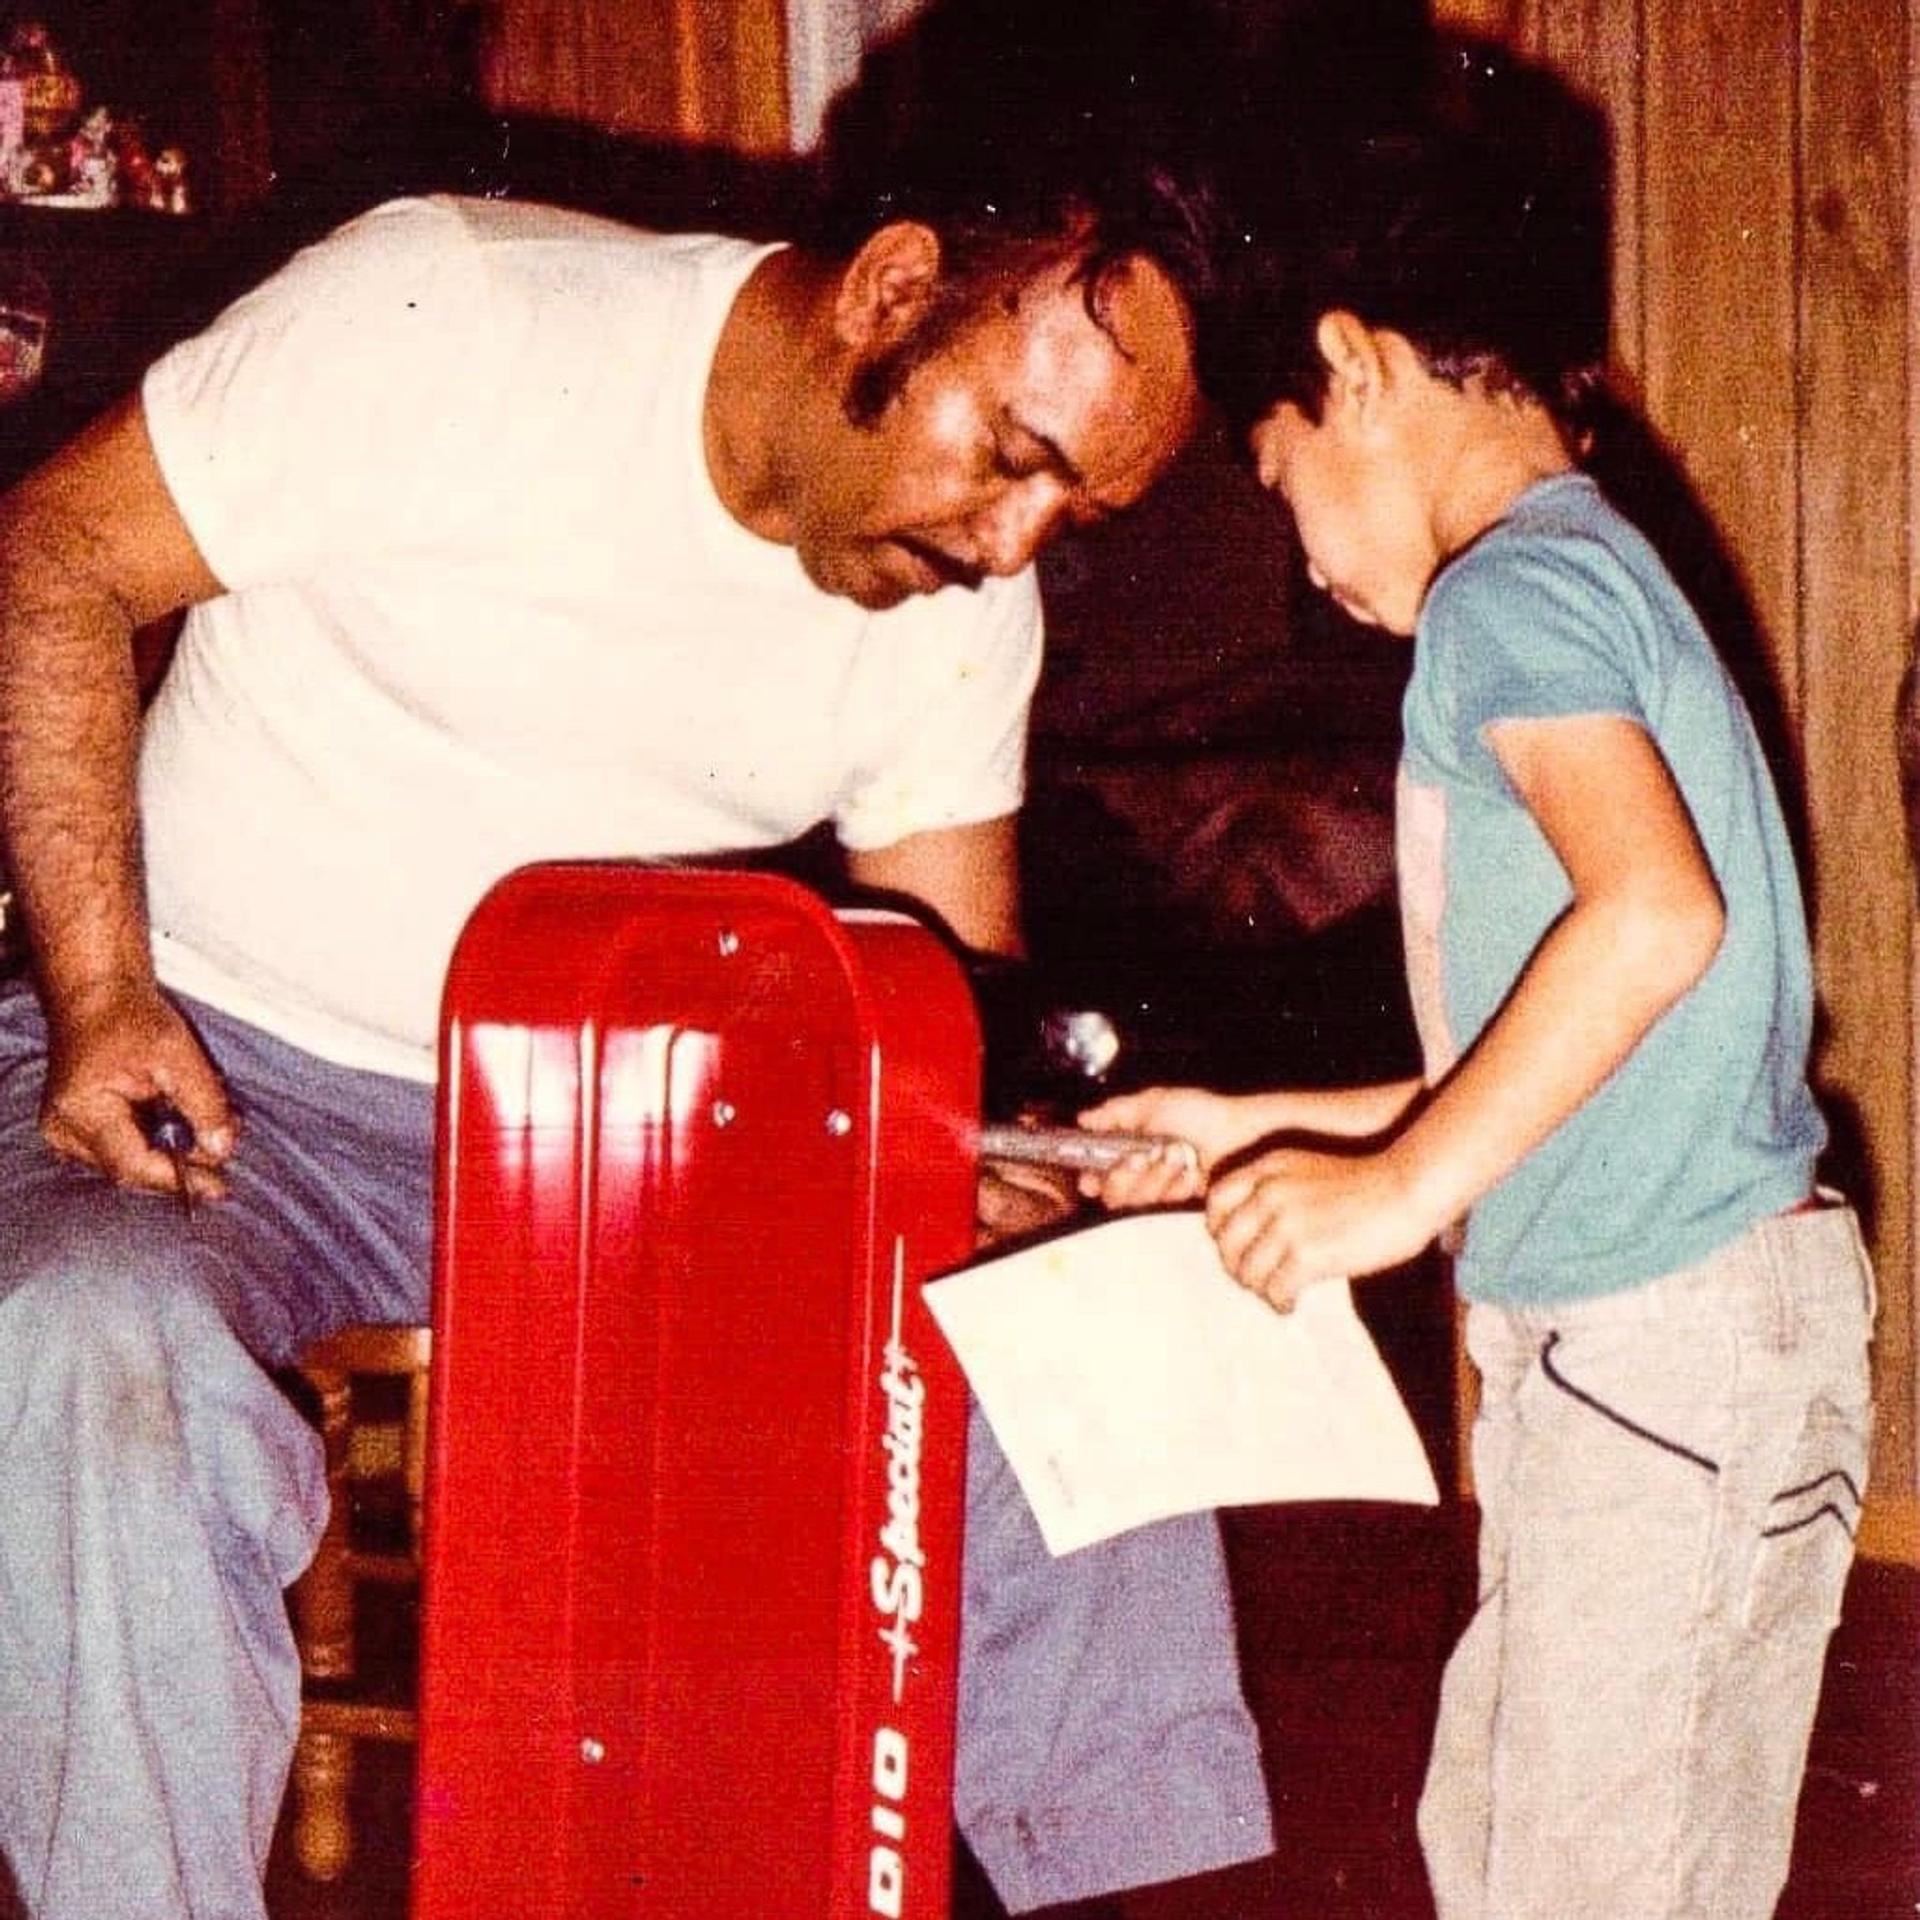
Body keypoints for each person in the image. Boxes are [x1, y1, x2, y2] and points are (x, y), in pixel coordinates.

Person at [0, 125, 1278, 1920]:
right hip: (219, 1085)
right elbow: (52, 556)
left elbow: (936, 993)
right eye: (1011, 460)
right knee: (78, 1338)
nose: (1013, 547)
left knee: (1056, 1329)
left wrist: (989, 1176)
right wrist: (103, 992)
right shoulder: (448, 316)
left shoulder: (950, 598)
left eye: (1072, 512)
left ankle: (1131, 1892)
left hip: (630, 1136)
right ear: (893, 293)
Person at [1082, 128, 1876, 1920]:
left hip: (1653, 1350)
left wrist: (1391, 1194)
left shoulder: (1505, 598)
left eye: (1281, 484)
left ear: (1356, 369)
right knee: (1534, 1852)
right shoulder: (1583, 577)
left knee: (1574, 1878)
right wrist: (1298, 1135)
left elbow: (1657, 916)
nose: (1308, 563)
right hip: (1676, 1341)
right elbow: (1578, 1042)